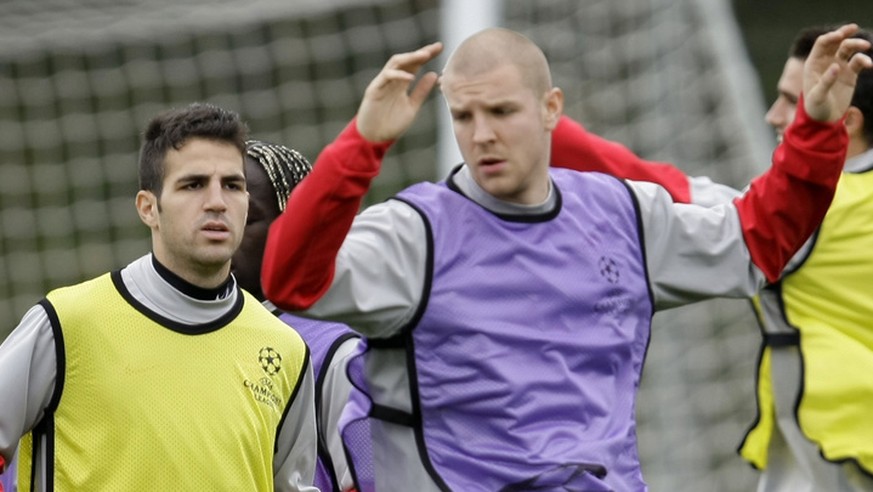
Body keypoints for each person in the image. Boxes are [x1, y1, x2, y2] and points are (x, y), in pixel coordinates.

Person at [260, 25, 871, 491]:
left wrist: (814, 128)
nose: (482, 135)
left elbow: (758, 243)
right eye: (465, 116)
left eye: (501, 112)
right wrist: (363, 144)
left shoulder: (625, 215)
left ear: (552, 108)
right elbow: (291, 282)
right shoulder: (412, 234)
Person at [551, 26, 873, 492]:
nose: (773, 115)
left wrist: (537, 125)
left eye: (792, 101)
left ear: (844, 121)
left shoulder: (819, 208)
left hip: (840, 454)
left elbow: (662, 192)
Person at [0, 103, 319, 491]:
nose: (218, 201)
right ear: (148, 208)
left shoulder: (284, 349)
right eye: (193, 184)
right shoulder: (67, 322)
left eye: (233, 185)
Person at [232, 139, 367, 492]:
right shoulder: (187, 334)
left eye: (247, 217)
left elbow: (371, 480)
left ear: (295, 232)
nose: (224, 228)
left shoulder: (340, 352)